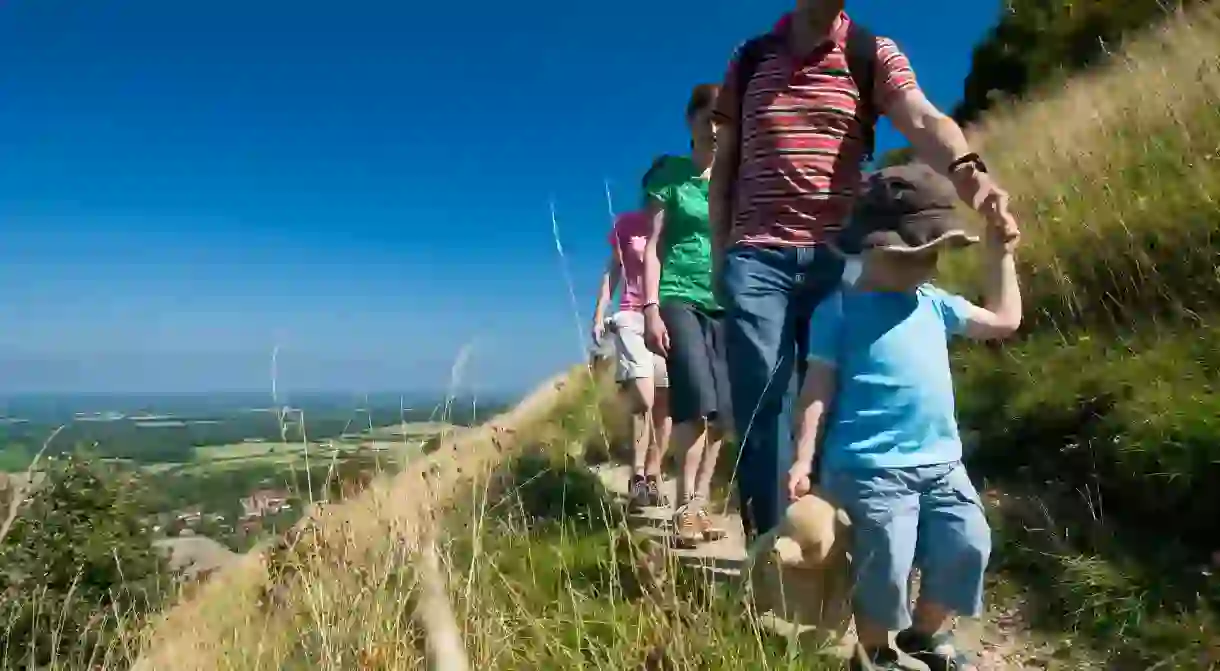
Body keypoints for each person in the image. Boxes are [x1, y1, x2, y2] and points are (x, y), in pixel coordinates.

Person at [708, 0, 1020, 541]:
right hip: (757, 254)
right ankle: (770, 548)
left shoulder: (869, 53)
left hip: (840, 255)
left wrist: (971, 176)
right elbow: (726, 162)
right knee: (763, 396)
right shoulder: (751, 58)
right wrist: (721, 252)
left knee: (839, 397)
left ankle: (831, 542)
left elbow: (922, 118)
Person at [788, 164, 1023, 671]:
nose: (929, 266)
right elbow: (816, 388)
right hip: (869, 469)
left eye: (935, 253)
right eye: (917, 254)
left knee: (967, 545)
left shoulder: (934, 303)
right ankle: (872, 654)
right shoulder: (839, 310)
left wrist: (1000, 253)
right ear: (874, 245)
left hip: (943, 464)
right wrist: (803, 457)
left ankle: (923, 635)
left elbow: (1005, 320)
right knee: (885, 568)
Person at [642, 83, 733, 549]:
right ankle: (683, 510)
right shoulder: (669, 174)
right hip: (679, 295)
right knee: (695, 400)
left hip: (726, 303)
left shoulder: (734, 180)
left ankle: (699, 504)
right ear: (691, 122)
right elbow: (652, 246)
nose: (716, 127)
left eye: (724, 118)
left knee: (721, 415)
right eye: (708, 117)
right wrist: (651, 308)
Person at [591, 208, 673, 509]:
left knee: (665, 402)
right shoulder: (627, 223)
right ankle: (637, 474)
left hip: (668, 318)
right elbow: (613, 269)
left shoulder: (678, 221)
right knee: (645, 398)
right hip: (630, 317)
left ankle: (652, 475)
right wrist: (600, 312)